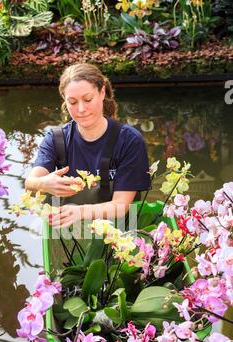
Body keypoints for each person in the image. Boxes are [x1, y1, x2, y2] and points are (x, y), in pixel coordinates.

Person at [25, 63, 151, 229]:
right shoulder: (56, 139)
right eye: (73, 102)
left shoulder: (129, 141)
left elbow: (121, 206)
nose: (81, 109)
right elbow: (30, 182)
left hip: (119, 236)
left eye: (88, 99)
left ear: (102, 92)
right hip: (69, 234)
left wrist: (80, 212)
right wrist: (43, 183)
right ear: (64, 100)